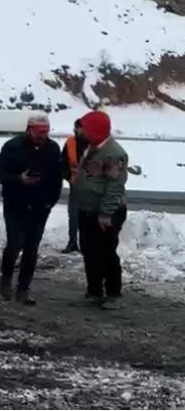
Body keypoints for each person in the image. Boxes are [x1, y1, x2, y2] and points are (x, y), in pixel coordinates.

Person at [0, 112, 64, 306]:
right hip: (15, 204)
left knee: (32, 248)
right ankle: (6, 279)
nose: (43, 135)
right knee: (14, 243)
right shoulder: (12, 147)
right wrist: (18, 179)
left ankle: (23, 288)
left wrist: (51, 202)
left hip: (40, 206)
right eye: (39, 132)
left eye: (46, 132)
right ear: (29, 129)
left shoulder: (53, 149)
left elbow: (57, 179)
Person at [72, 110, 129, 310]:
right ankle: (94, 290)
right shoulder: (92, 148)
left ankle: (113, 292)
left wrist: (106, 214)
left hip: (106, 212)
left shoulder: (113, 153)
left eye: (86, 129)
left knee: (105, 252)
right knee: (88, 250)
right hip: (87, 209)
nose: (82, 133)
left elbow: (115, 187)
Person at [61, 119, 89, 254]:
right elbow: (63, 164)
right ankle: (72, 242)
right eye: (79, 128)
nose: (81, 130)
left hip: (92, 188)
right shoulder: (70, 143)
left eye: (83, 128)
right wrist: (68, 176)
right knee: (73, 215)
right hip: (75, 186)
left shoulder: (94, 144)